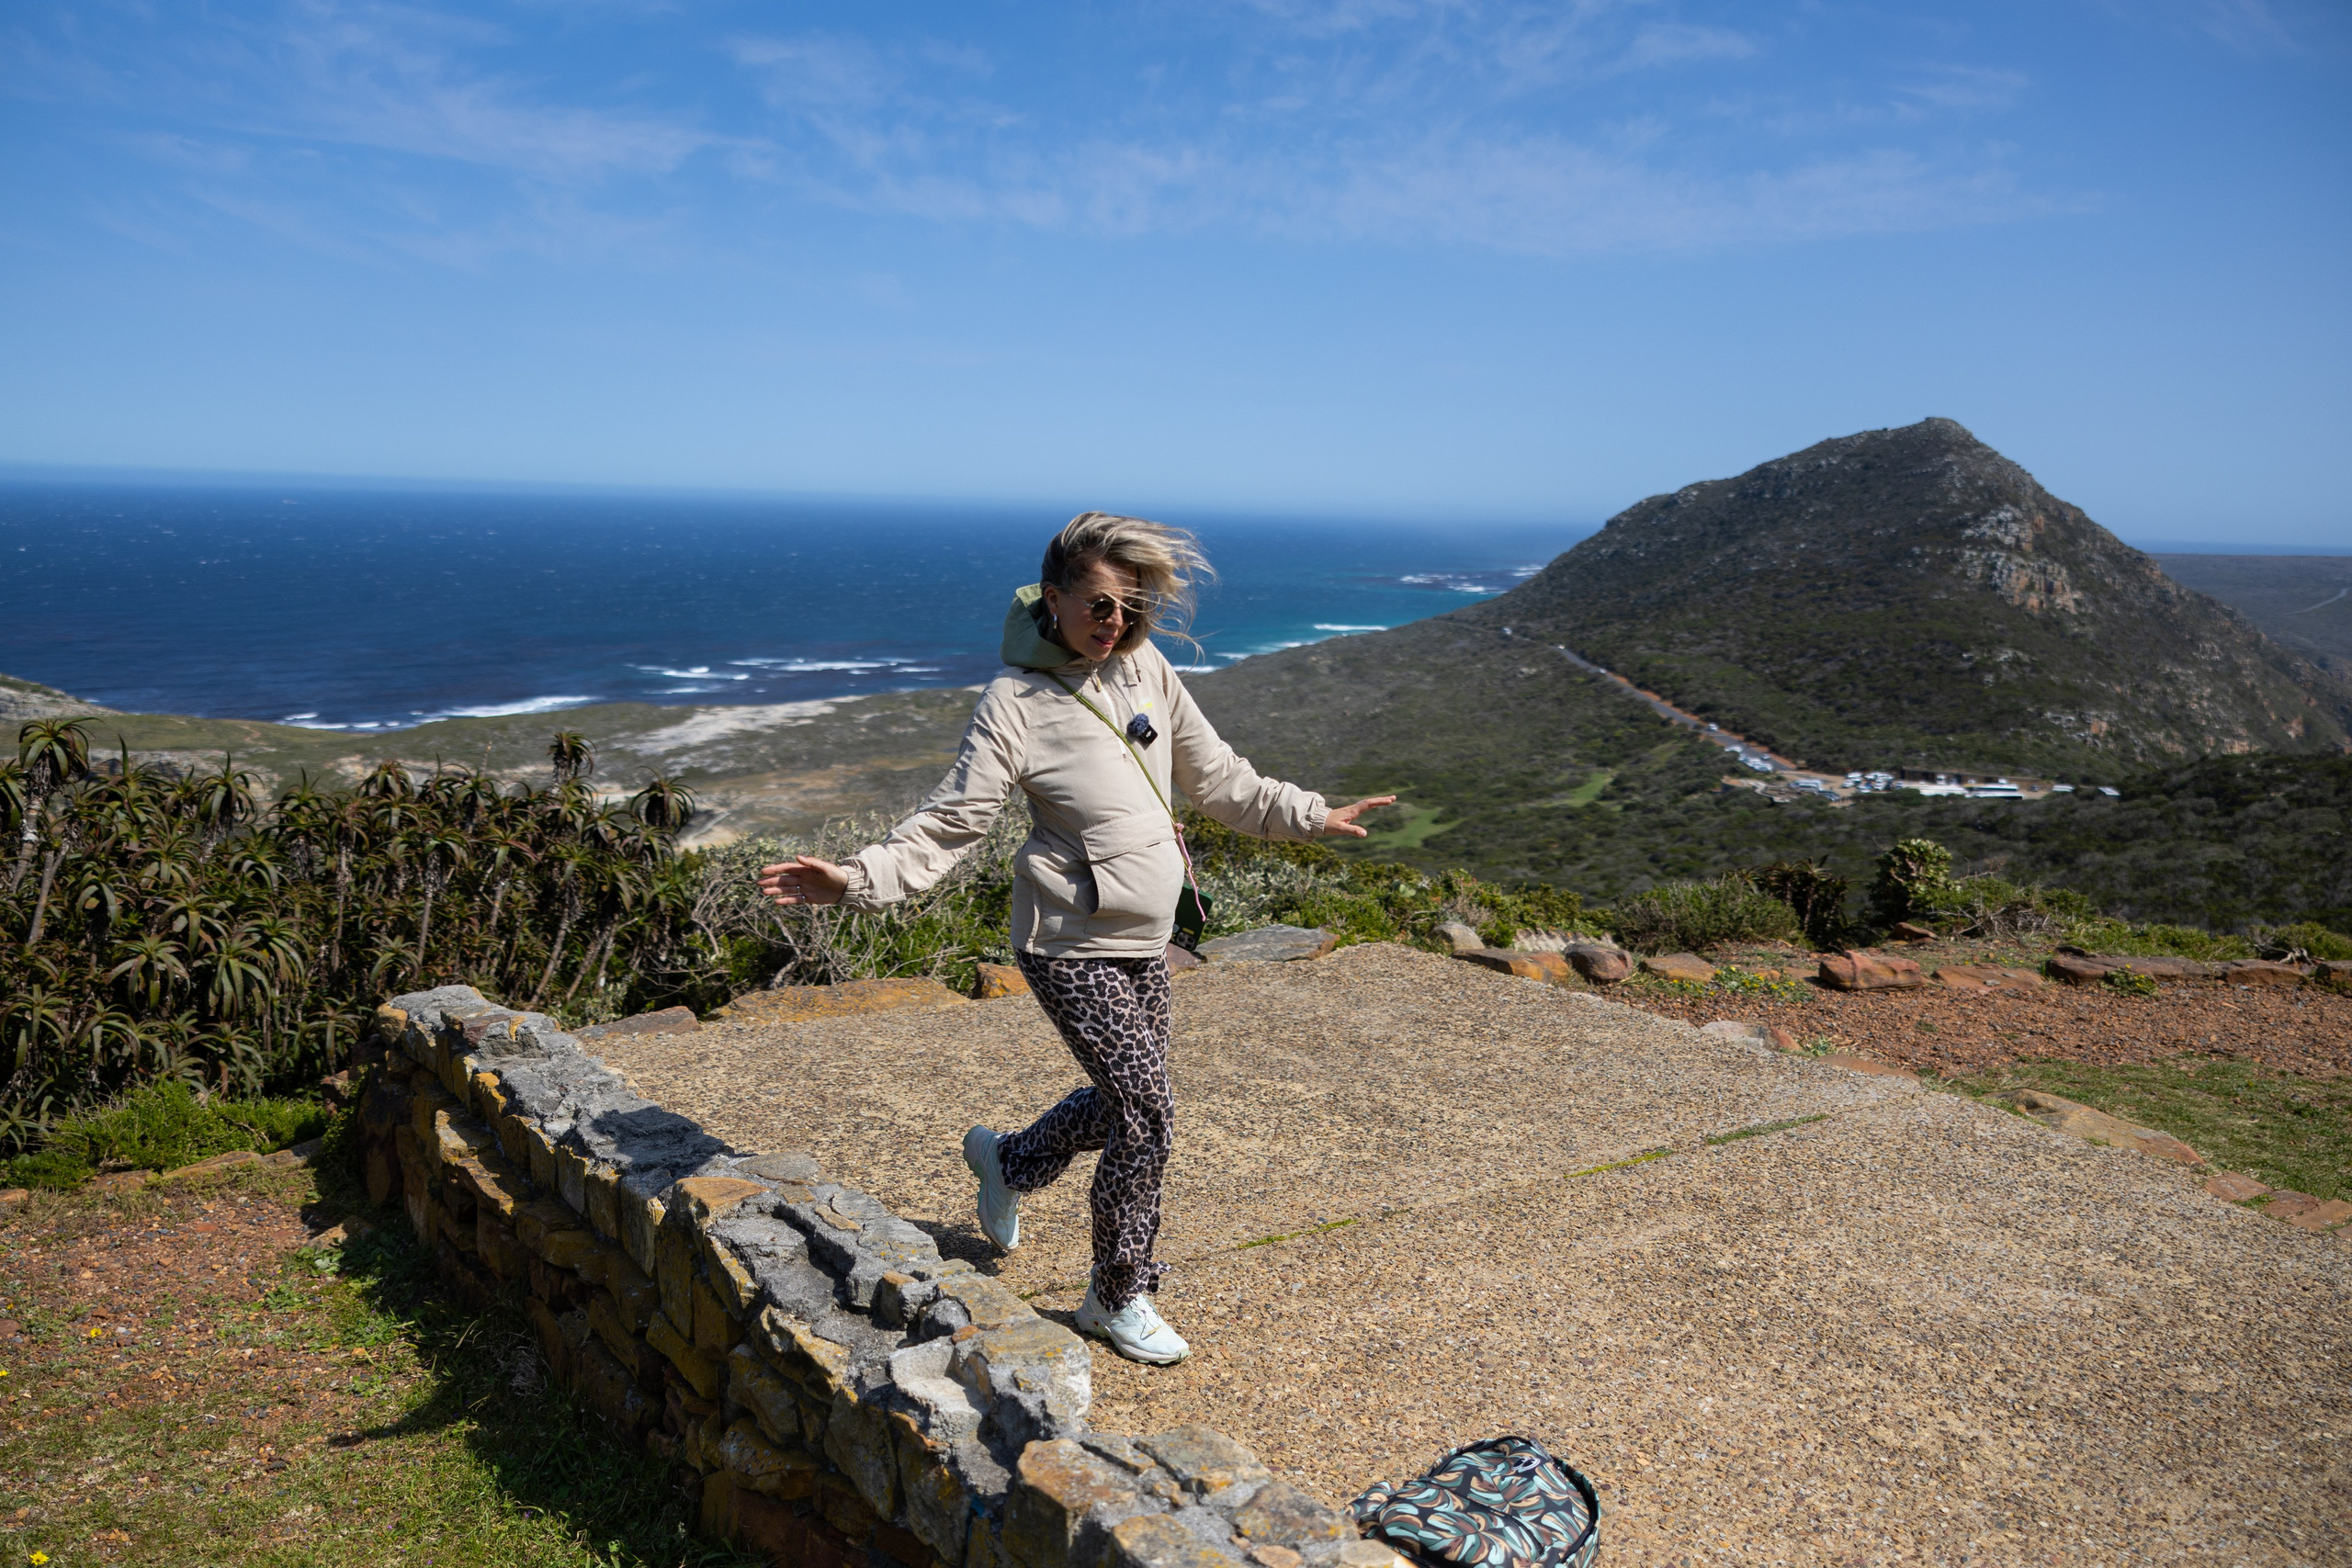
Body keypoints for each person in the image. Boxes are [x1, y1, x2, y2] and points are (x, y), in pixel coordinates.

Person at [756, 513, 1393, 1365]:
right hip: (1066, 942)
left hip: (1145, 938)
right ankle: (1117, 1293)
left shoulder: (1147, 671)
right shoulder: (1014, 703)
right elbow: (953, 823)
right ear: (1051, 598)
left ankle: (1010, 1161)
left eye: (1130, 607)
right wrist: (857, 876)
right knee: (1149, 1112)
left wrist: (1313, 814)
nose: (1115, 622)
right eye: (1098, 604)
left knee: (1124, 1098)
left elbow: (1220, 780)